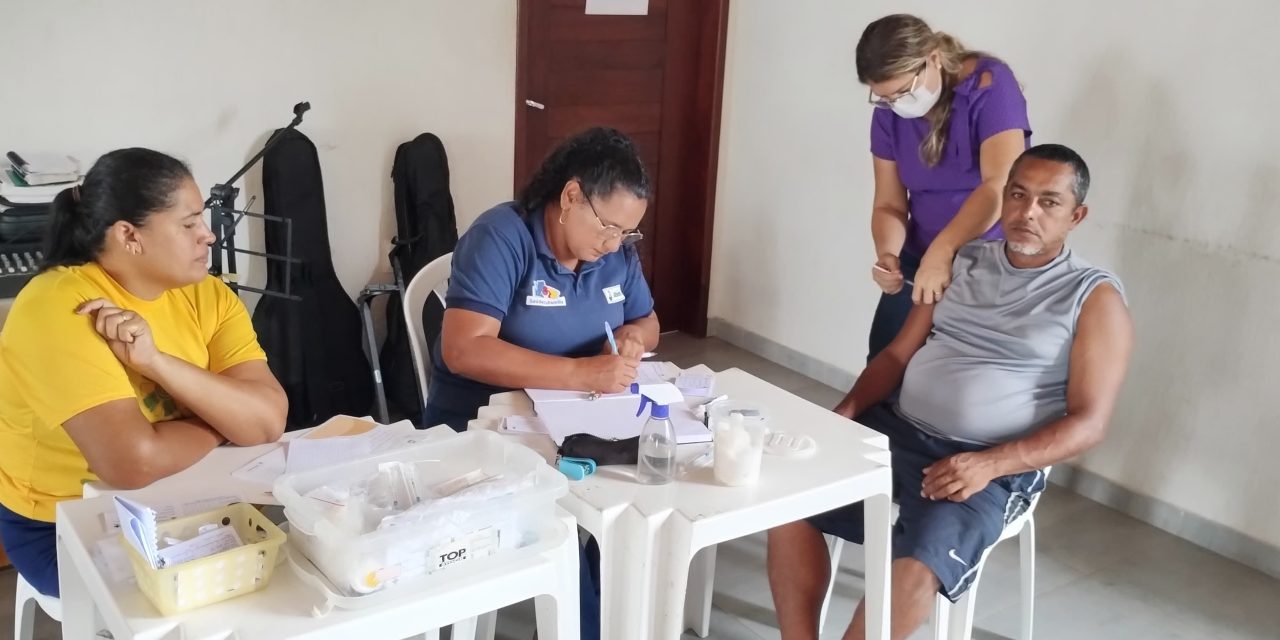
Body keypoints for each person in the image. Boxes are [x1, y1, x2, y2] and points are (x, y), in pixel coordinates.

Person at [767, 144, 1133, 640]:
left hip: (988, 463)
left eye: (1049, 202)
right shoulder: (961, 261)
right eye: (1019, 194)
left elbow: (1089, 422)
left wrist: (992, 464)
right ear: (1003, 197)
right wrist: (847, 412)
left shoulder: (1094, 298)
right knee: (792, 499)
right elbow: (897, 355)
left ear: (1077, 215)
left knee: (920, 560)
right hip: (898, 430)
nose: (1028, 213)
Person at [0, 148, 288, 597]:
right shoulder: (61, 306)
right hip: (66, 523)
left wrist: (156, 362)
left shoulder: (208, 295)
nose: (208, 237)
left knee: (291, 572)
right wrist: (222, 421)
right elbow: (131, 463)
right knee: (218, 602)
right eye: (188, 223)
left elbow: (267, 421)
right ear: (129, 236)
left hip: (186, 495)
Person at [423, 127, 660, 640]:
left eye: (627, 233)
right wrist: (579, 372)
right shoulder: (502, 237)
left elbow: (648, 321)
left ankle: (604, 619)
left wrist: (632, 338)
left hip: (579, 418)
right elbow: (463, 348)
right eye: (608, 226)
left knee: (631, 508)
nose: (614, 243)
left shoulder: (614, 254)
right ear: (570, 196)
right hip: (481, 423)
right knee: (563, 523)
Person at [857, 13, 1032, 360]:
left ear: (933, 59)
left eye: (902, 92)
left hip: (987, 257)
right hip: (920, 255)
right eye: (883, 97)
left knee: (954, 368)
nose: (894, 105)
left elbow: (998, 184)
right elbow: (889, 205)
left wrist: (944, 250)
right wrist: (888, 255)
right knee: (885, 359)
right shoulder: (889, 113)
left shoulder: (990, 85)